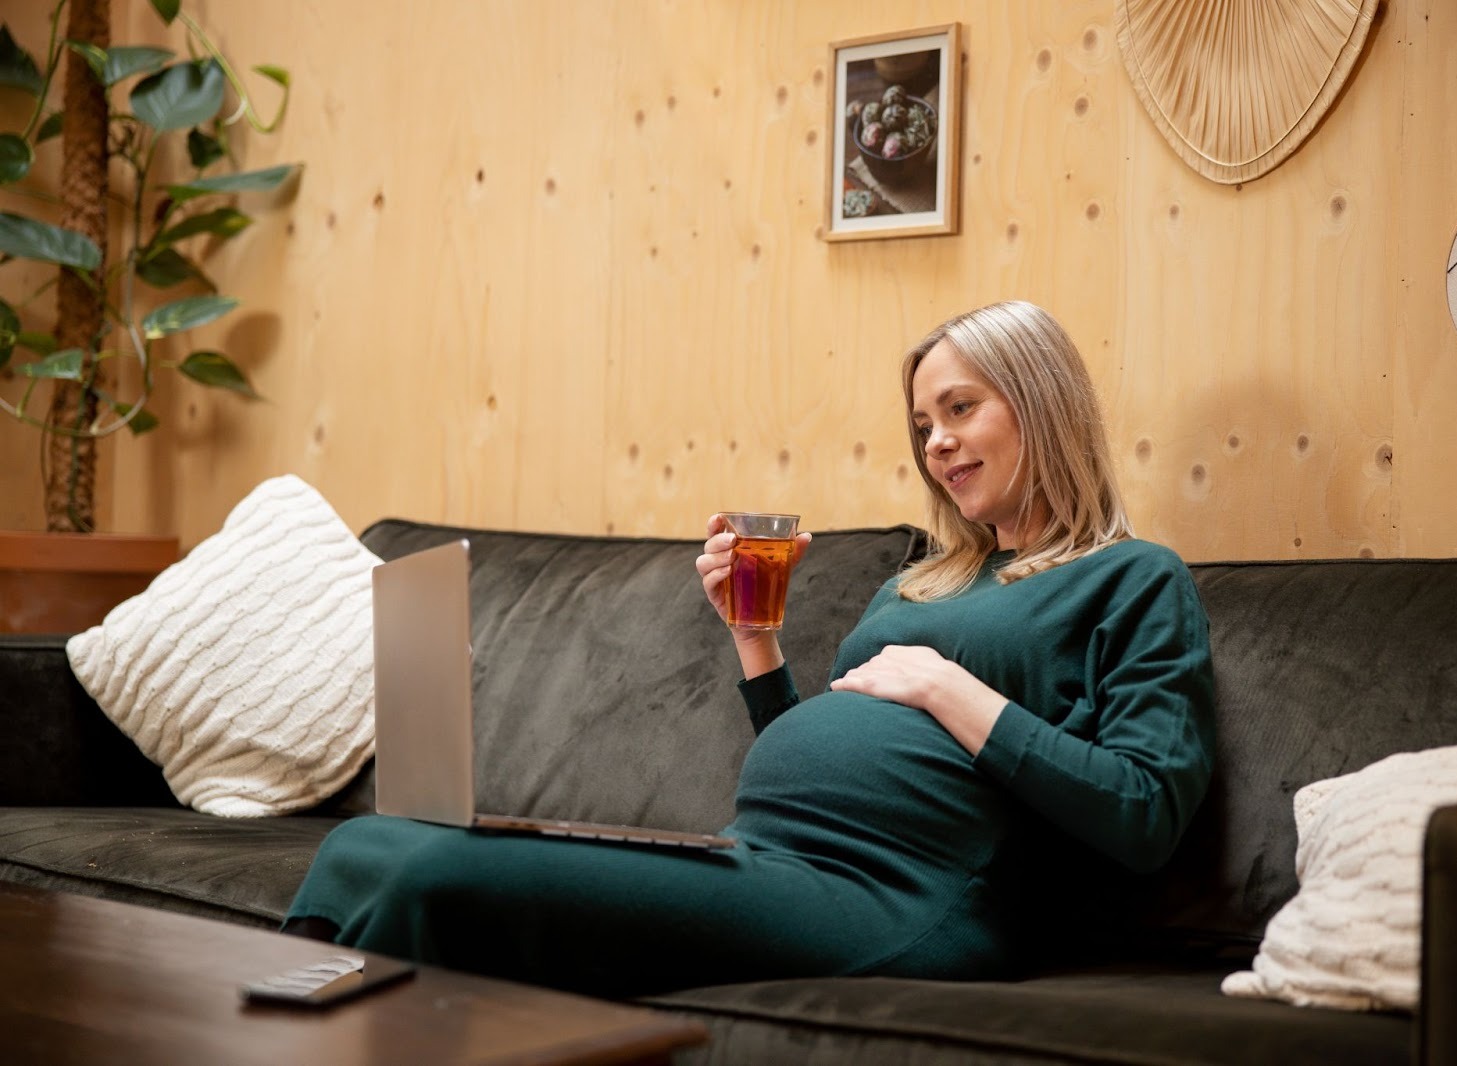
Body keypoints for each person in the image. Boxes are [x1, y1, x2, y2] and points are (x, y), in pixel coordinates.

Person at [283, 300, 1215, 995]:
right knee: (368, 844)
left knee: (440, 876)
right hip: (764, 856)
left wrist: (946, 688)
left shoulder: (1131, 578)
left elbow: (1145, 810)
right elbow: (818, 746)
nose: (936, 442)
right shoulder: (920, 581)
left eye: (960, 410)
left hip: (900, 898)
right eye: (924, 424)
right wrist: (755, 639)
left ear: (1041, 403)